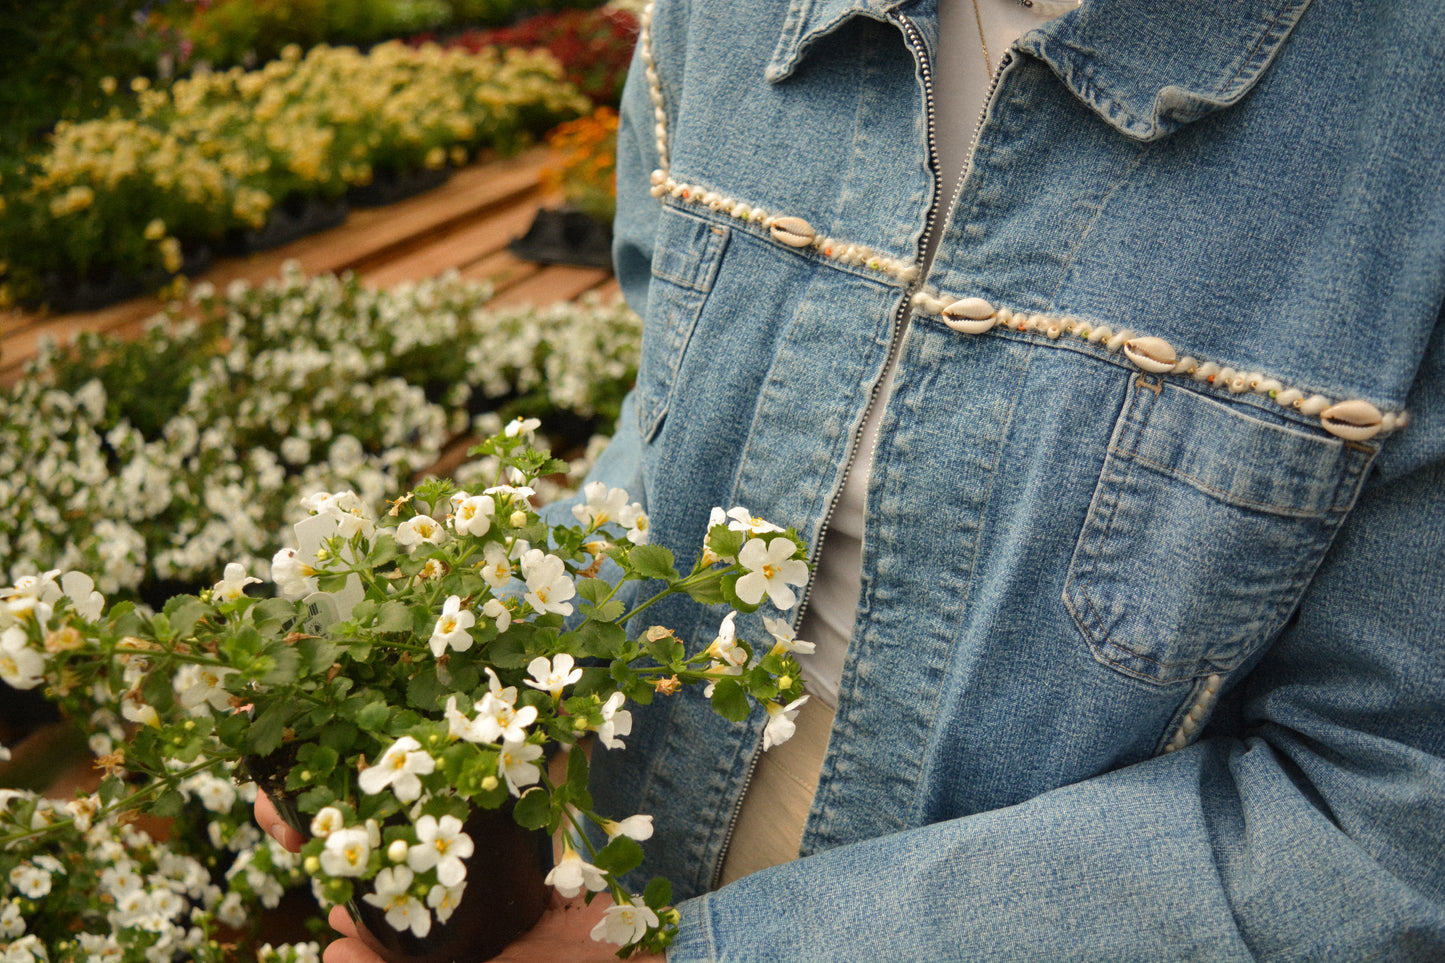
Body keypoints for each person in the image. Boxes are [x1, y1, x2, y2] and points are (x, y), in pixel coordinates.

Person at [257, 0, 1445, 959]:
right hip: (607, 873)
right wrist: (411, 685)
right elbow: (655, 458)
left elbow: (1391, 824)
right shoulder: (717, 25)